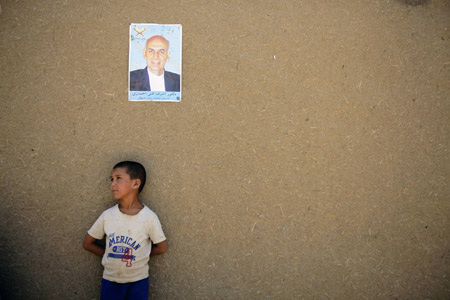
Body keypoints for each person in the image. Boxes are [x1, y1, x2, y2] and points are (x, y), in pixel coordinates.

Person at [83, 161, 167, 300]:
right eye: (112, 179)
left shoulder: (149, 218)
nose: (112, 184)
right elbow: (88, 243)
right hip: (110, 281)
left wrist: (140, 256)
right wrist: (110, 256)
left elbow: (162, 247)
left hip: (138, 282)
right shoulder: (108, 216)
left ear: (135, 183)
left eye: (118, 178)